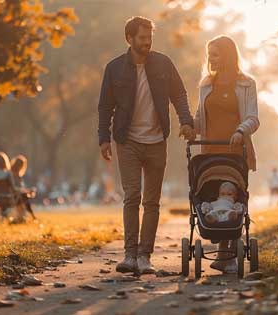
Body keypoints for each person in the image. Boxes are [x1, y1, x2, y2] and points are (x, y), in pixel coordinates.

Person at [97, 16, 195, 274]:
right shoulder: (114, 68)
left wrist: (186, 121)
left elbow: (180, 94)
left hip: (156, 141)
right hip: (127, 141)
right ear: (129, 39)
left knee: (152, 201)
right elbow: (105, 106)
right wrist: (103, 138)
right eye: (142, 38)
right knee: (132, 197)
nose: (147, 42)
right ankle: (129, 255)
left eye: (149, 37)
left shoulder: (163, 63)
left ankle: (144, 256)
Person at [193, 35, 260, 274]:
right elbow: (200, 118)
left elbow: (253, 117)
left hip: (235, 152)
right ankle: (224, 253)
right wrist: (189, 126)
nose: (210, 58)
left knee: (232, 196)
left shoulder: (246, 84)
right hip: (210, 153)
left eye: (215, 53)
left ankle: (226, 253)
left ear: (228, 55)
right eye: (209, 53)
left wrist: (241, 131)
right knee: (213, 197)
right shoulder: (205, 84)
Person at [10, 155, 37, 220]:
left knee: (24, 196)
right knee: (24, 196)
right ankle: (31, 216)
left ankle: (25, 217)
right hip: (14, 196)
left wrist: (27, 191)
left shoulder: (10, 173)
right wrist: (28, 191)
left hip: (12, 195)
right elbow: (16, 188)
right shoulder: (15, 176)